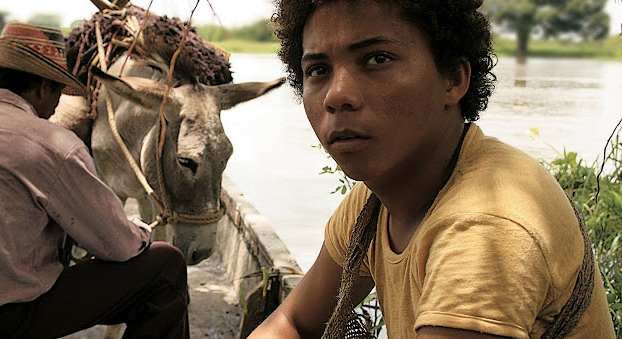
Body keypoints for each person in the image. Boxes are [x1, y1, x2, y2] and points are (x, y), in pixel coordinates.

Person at [250, 0, 615, 338]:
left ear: (454, 78)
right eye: (318, 70)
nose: (336, 95)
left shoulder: (487, 227)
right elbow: (292, 321)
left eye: (377, 59)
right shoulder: (376, 202)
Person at [0, 22, 189, 338]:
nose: (57, 104)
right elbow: (118, 246)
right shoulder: (54, 143)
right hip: (0, 319)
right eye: (58, 90)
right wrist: (138, 229)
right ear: (42, 87)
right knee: (166, 265)